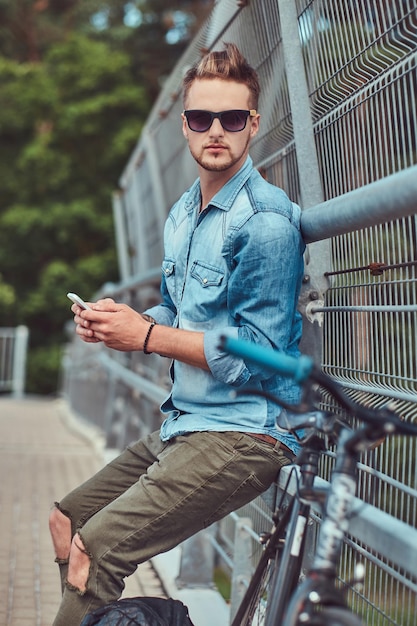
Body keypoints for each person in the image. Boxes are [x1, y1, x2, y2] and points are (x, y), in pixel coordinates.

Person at [49, 42, 305, 625]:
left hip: (243, 435)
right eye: (200, 118)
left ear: (253, 124)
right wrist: (121, 323)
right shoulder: (183, 213)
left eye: (232, 118)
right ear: (186, 125)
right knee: (67, 520)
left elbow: (261, 356)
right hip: (185, 423)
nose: (216, 130)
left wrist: (144, 338)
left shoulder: (265, 224)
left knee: (99, 547)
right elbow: (174, 312)